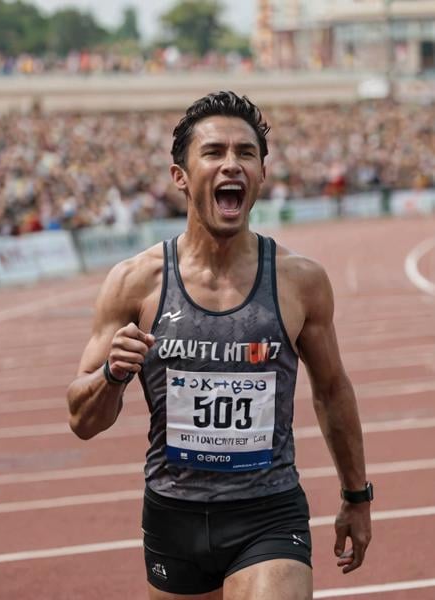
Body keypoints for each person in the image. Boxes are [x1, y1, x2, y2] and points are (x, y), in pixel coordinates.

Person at [67, 91, 372, 600]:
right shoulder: (134, 282)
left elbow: (332, 391)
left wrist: (357, 496)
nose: (231, 164)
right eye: (214, 153)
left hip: (269, 511)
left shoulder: (300, 281)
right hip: (173, 516)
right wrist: (112, 375)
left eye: (245, 153)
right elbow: (82, 421)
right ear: (180, 176)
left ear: (261, 175)